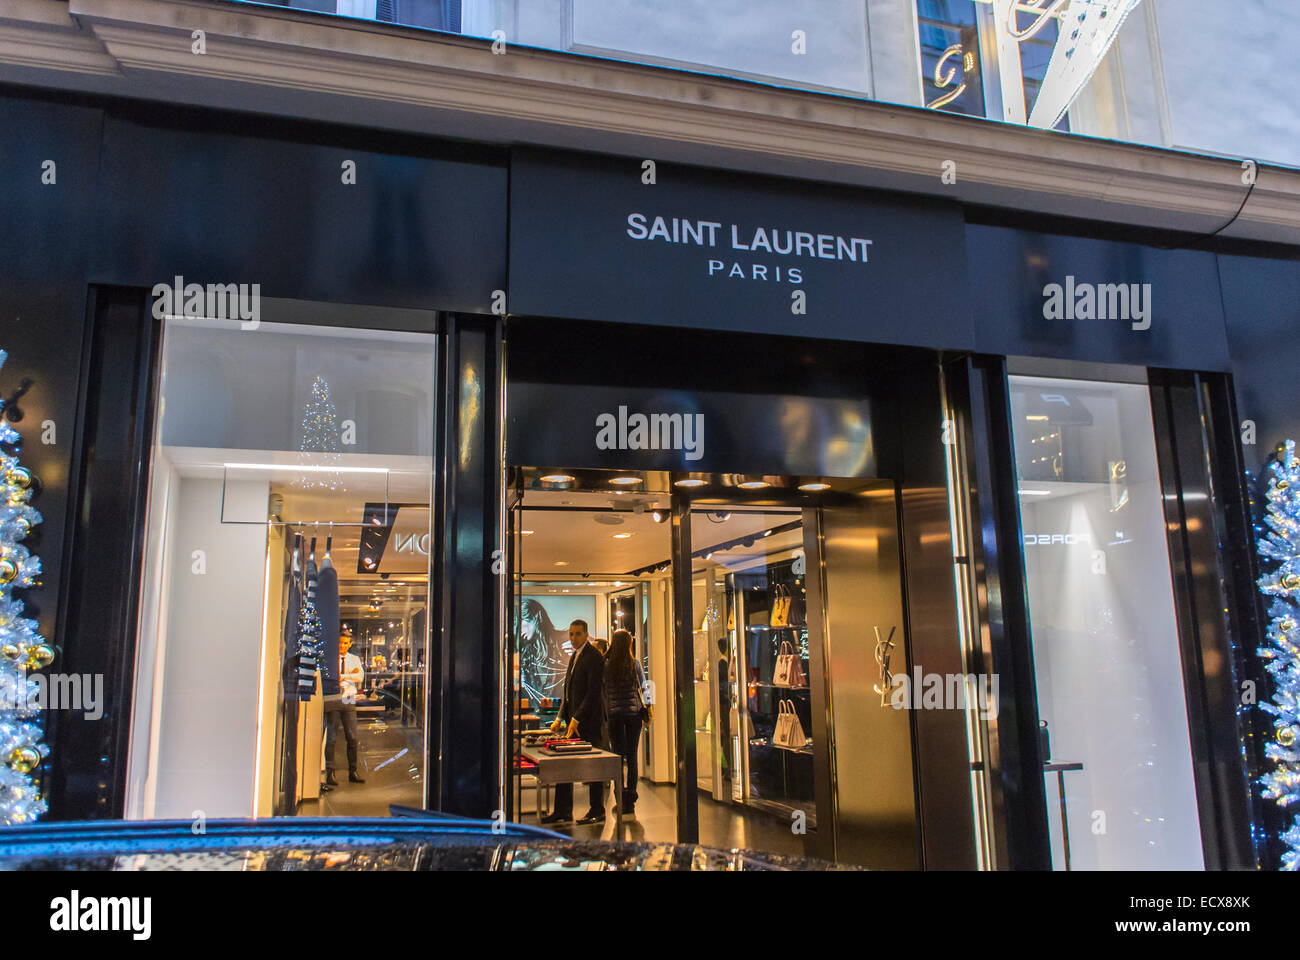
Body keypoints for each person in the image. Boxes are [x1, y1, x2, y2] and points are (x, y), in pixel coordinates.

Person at [543, 619, 605, 825]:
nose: (573, 638)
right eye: (571, 634)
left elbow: (593, 693)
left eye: (577, 634)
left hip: (589, 722)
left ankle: (597, 809)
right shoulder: (575, 656)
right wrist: (561, 717)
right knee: (565, 764)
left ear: (586, 635)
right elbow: (569, 690)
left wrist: (577, 718)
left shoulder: (594, 657)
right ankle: (563, 809)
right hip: (573, 721)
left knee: (594, 767)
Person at [602, 629, 650, 814]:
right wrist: (649, 707)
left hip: (614, 715)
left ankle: (619, 796)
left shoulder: (606, 665)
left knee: (617, 757)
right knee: (632, 756)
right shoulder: (634, 664)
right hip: (633, 715)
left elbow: (604, 691)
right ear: (629, 644)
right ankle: (631, 796)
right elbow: (644, 686)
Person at [324, 631, 366, 786]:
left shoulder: (354, 659)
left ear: (350, 644)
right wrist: (349, 674)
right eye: (340, 642)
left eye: (345, 643)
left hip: (348, 699)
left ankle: (353, 771)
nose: (342, 645)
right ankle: (330, 773)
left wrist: (343, 676)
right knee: (332, 738)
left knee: (352, 737)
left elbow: (360, 677)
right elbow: (331, 678)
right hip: (333, 698)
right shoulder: (330, 659)